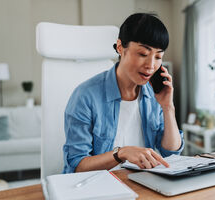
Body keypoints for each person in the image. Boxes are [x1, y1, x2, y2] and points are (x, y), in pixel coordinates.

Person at [63, 13, 184, 173]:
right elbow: (77, 165)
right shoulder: (85, 96)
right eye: (143, 54)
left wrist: (168, 107)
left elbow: (171, 152)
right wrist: (121, 153)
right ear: (120, 47)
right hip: (97, 187)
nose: (151, 65)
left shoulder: (153, 94)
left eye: (158, 56)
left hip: (141, 183)